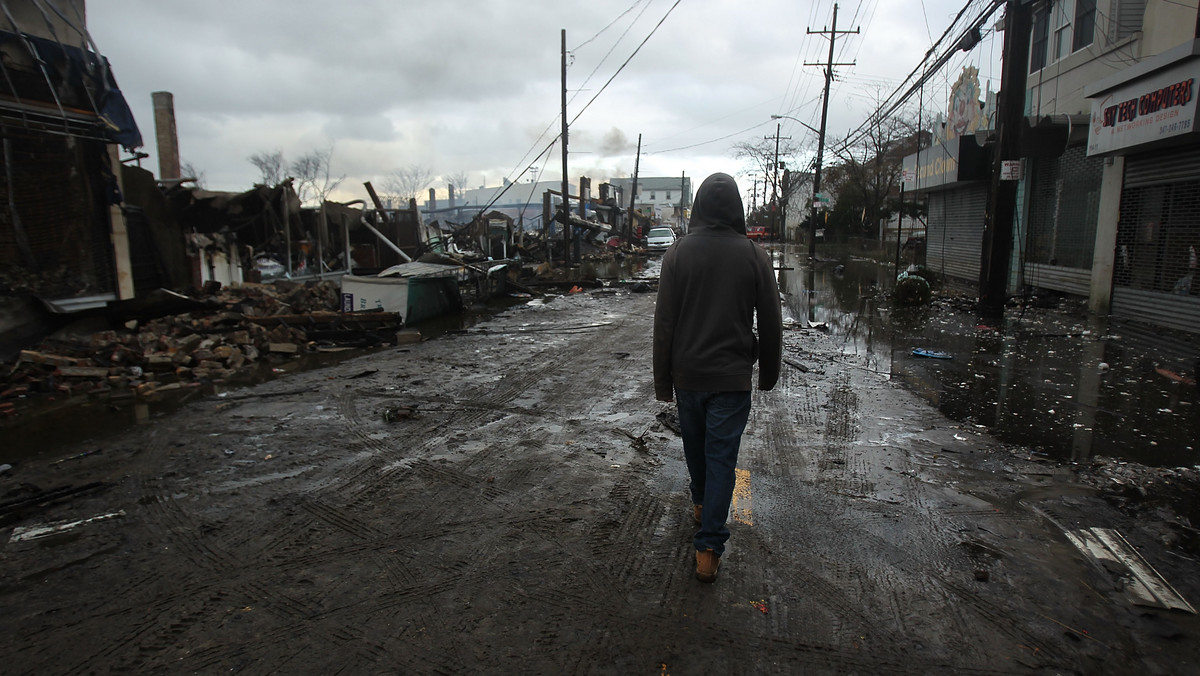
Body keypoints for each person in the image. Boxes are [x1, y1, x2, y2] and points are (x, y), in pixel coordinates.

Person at [652, 172, 782, 583]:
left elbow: (664, 324)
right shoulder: (753, 255)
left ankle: (699, 503)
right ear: (737, 208)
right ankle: (708, 548)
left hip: (687, 376)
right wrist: (769, 373)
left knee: (695, 448)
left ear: (701, 207)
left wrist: (662, 382)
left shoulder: (677, 254)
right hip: (731, 378)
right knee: (721, 458)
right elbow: (772, 321)